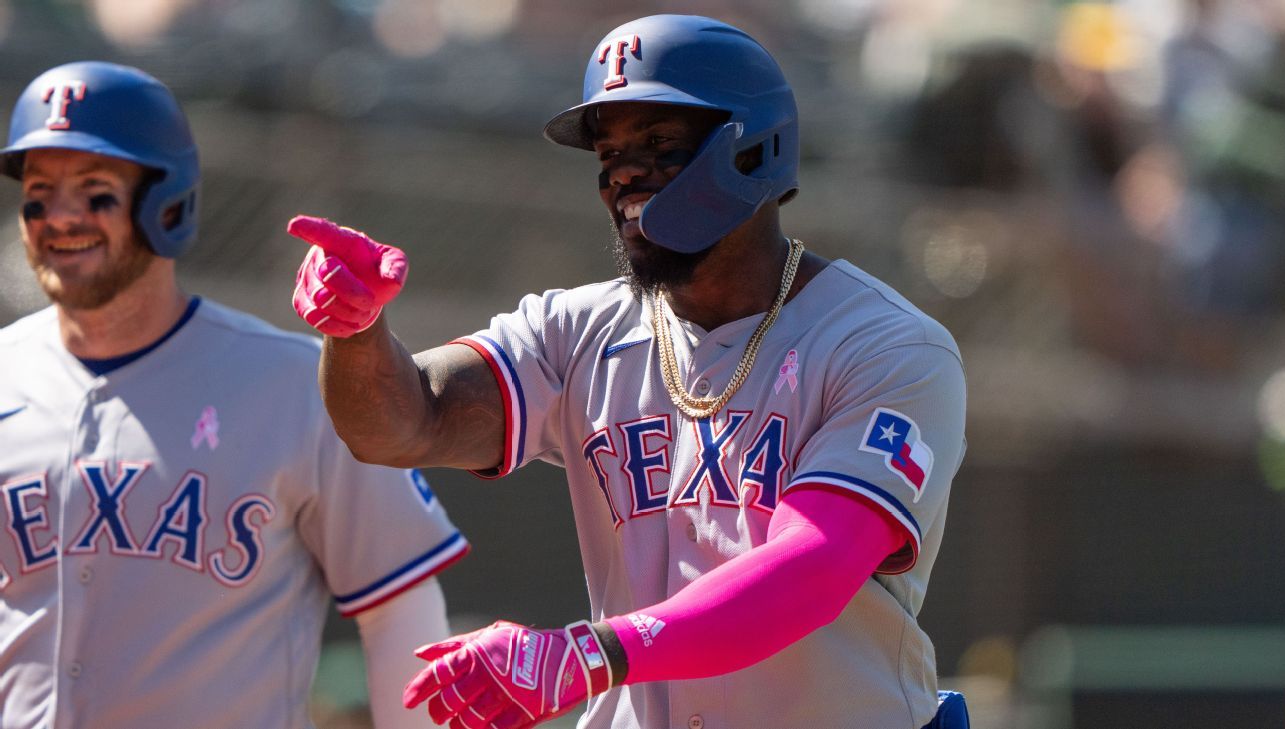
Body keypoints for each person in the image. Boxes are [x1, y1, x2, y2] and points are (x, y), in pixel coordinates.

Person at [288, 14, 968, 729]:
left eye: (658, 143)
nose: (622, 173)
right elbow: (404, 421)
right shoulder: (576, 329)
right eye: (608, 151)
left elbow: (813, 569)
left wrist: (592, 653)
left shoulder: (886, 345)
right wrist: (357, 331)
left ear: (752, 149)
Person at [0, 61, 469, 729]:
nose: (60, 217)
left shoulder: (295, 383)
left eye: (96, 190)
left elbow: (400, 606)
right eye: (38, 193)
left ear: (166, 202)